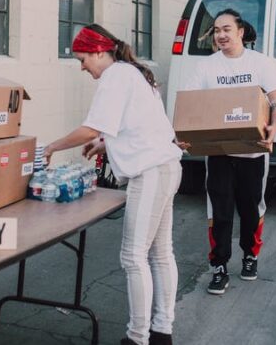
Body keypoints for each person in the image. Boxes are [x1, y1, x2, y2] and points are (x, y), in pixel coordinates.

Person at [43, 25, 182, 345]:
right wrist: (106, 144)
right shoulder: (132, 73)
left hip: (150, 173)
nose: (82, 67)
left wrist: (51, 147)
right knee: (160, 254)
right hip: (165, 167)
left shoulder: (115, 76)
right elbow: (140, 125)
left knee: (134, 256)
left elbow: (91, 128)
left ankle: (137, 337)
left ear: (98, 52)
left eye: (82, 59)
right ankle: (161, 331)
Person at [181, 9, 276, 295]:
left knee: (251, 209)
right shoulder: (206, 67)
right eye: (216, 30)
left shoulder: (260, 63)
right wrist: (185, 134)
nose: (221, 35)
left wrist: (273, 129)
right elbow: (190, 104)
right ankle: (219, 266)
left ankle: (250, 255)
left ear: (240, 32)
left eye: (226, 29)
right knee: (220, 210)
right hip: (219, 153)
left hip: (254, 152)